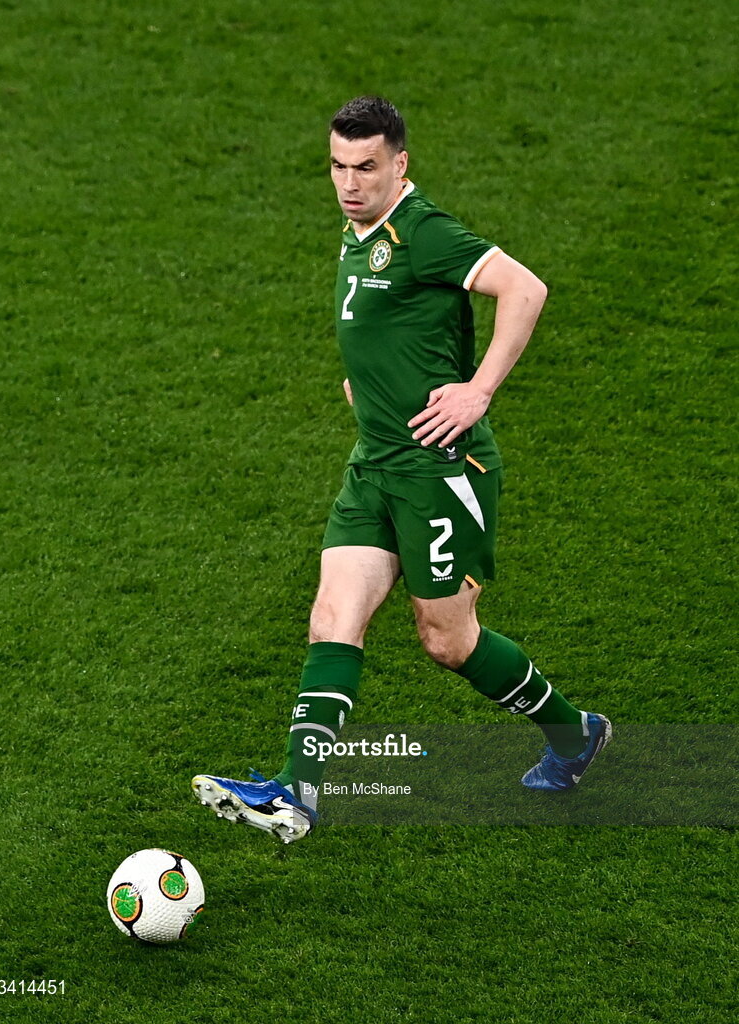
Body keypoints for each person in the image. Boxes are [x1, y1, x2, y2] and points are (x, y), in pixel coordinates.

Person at [193, 96, 611, 843]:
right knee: (332, 616)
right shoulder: (359, 233)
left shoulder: (421, 231)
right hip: (374, 466)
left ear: (400, 165)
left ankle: (575, 734)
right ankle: (297, 794)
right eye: (338, 166)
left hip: (439, 470)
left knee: (446, 640)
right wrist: (369, 388)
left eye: (366, 167)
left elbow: (526, 288)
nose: (350, 182)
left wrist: (477, 389)